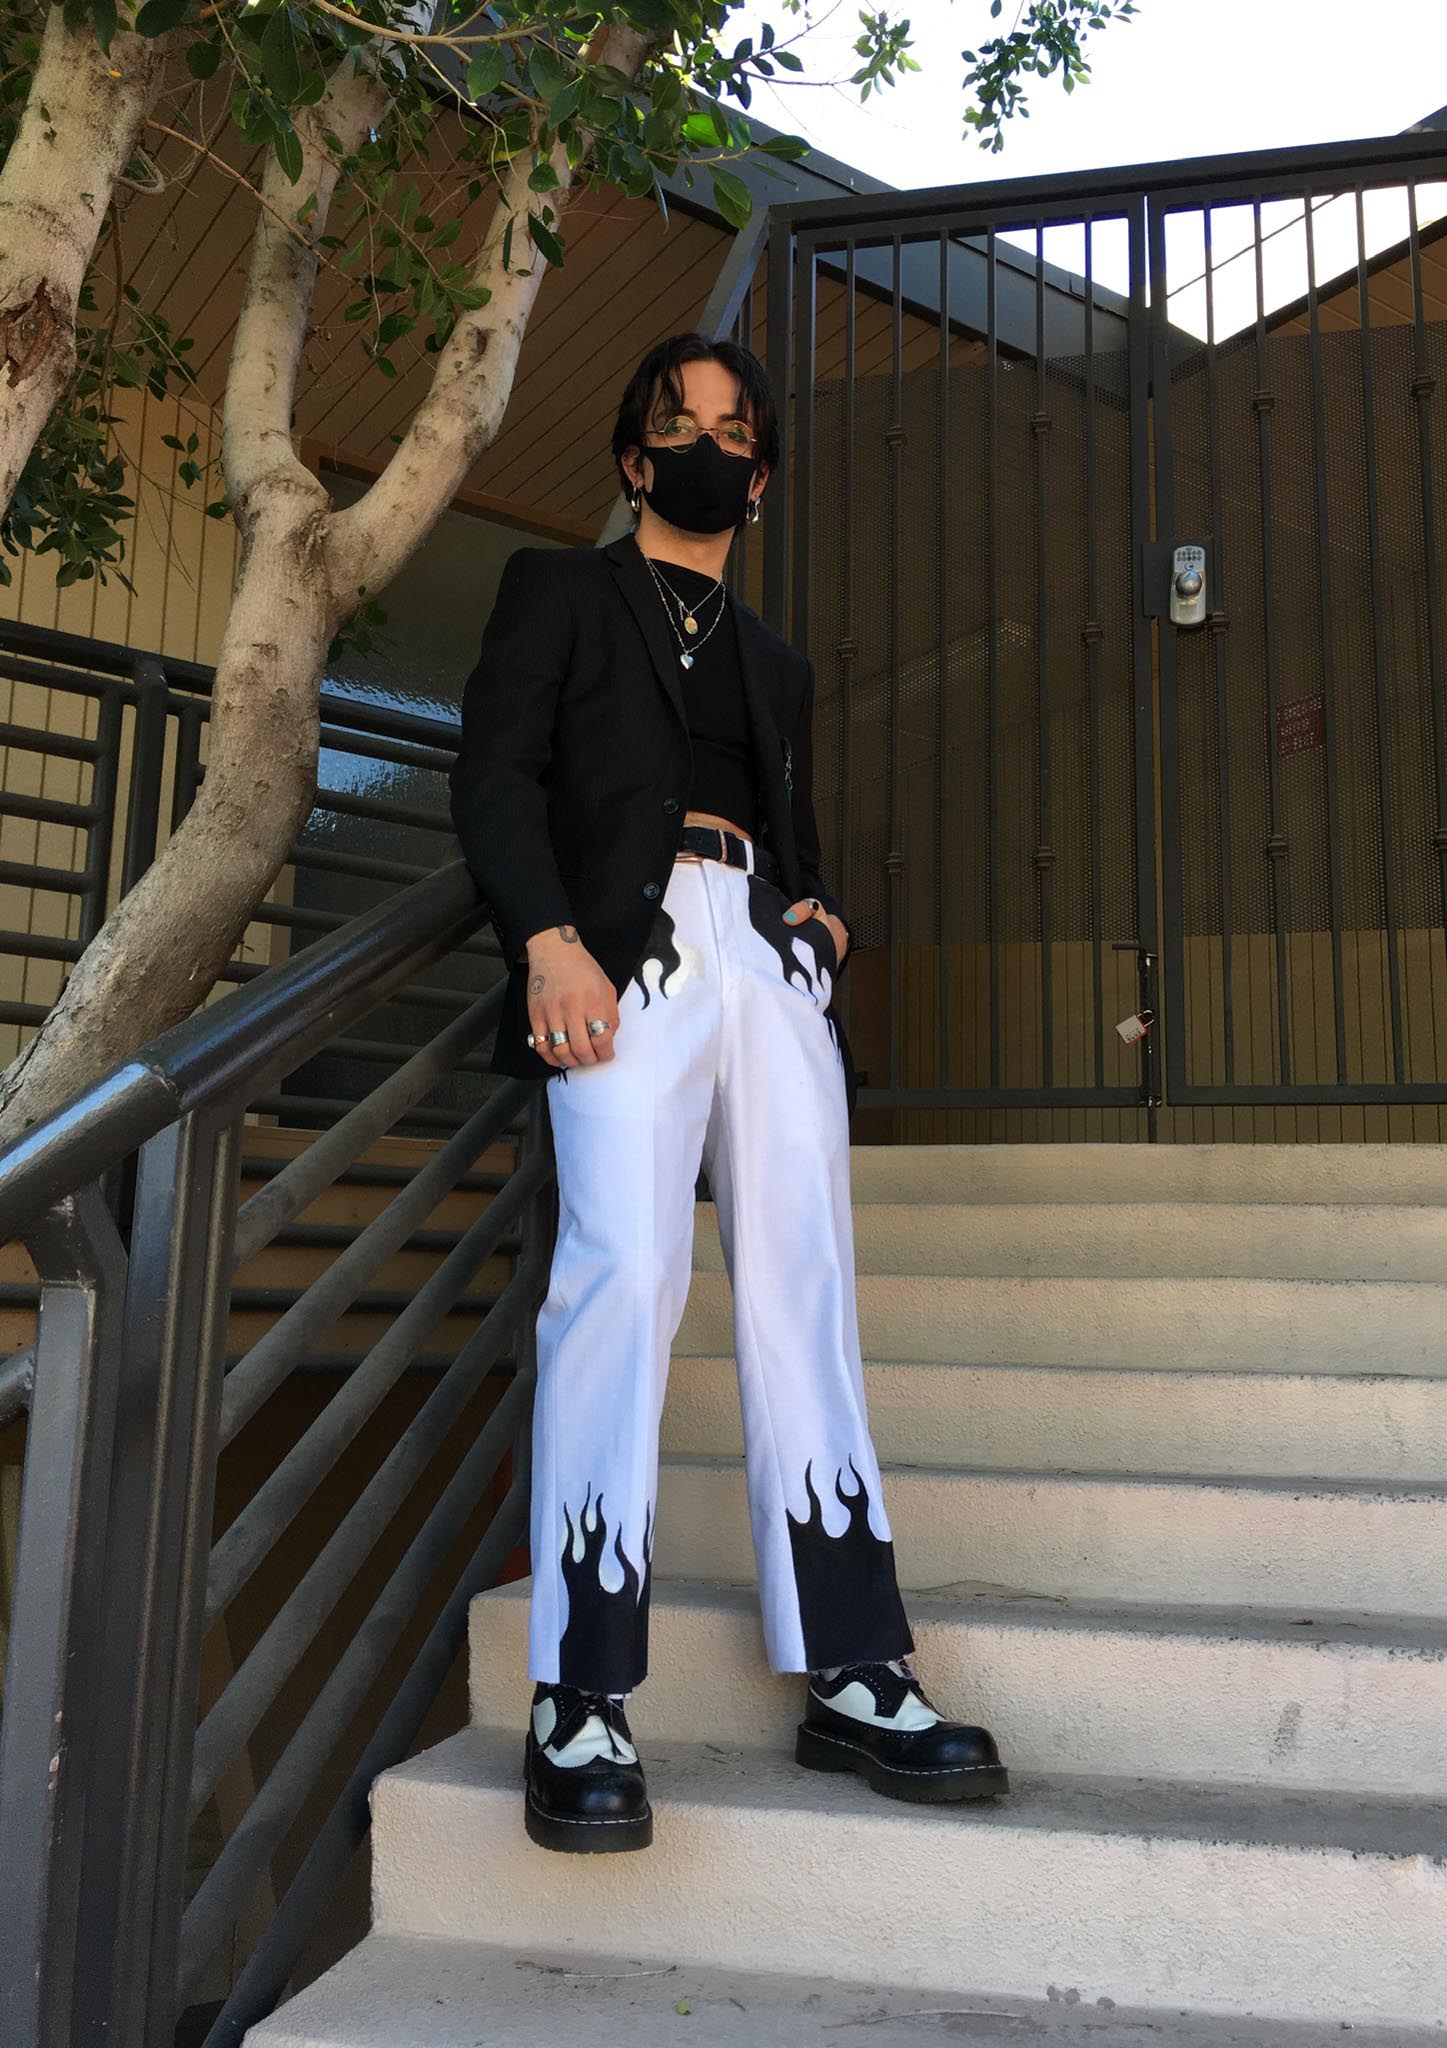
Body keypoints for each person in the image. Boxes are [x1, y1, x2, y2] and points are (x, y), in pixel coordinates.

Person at [449, 330, 1007, 1855]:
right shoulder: (557, 595)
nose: (704, 443)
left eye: (731, 428)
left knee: (804, 1286)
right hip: (620, 966)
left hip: (759, 955)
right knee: (621, 1282)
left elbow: (799, 832)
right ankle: (581, 1692)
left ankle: (854, 1668)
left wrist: (815, 926)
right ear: (638, 458)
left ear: (754, 477)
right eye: (676, 422)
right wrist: (550, 942)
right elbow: (492, 777)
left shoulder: (778, 663)